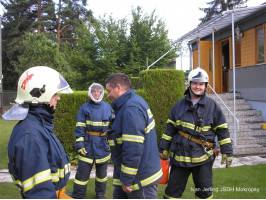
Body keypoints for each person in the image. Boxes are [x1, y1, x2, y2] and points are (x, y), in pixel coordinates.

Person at [159, 67, 233, 199]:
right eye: (195, 83)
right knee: (172, 193)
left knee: (204, 193)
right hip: (180, 157)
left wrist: (227, 150)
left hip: (203, 158)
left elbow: (222, 130)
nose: (198, 87)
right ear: (189, 84)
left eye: (201, 84)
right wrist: (164, 147)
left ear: (205, 86)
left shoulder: (212, 106)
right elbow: (170, 129)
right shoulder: (179, 105)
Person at [3, 66, 73, 199]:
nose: (58, 98)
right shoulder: (30, 136)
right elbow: (40, 194)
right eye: (54, 94)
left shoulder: (38, 125)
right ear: (40, 94)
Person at [105, 73, 163, 199]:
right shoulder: (132, 102)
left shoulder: (130, 109)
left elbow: (133, 149)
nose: (108, 95)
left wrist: (127, 179)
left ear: (119, 87)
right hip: (136, 175)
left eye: (109, 91)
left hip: (139, 180)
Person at [72, 83, 113, 199]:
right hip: (88, 144)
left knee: (102, 174)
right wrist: (80, 144)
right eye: (94, 91)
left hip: (103, 145)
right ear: (90, 92)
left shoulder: (108, 108)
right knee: (82, 174)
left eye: (98, 91)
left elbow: (112, 128)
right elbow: (80, 128)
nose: (96, 93)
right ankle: (78, 196)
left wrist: (110, 143)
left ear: (101, 93)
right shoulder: (84, 108)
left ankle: (100, 194)